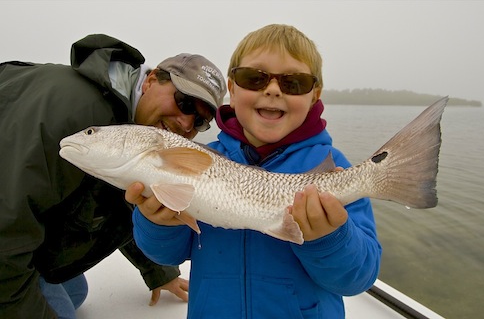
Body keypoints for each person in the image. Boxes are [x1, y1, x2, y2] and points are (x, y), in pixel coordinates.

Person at [128, 24, 382, 318]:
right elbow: (168, 254)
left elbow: (359, 278)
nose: (272, 90)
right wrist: (158, 223)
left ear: (315, 95)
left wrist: (328, 239)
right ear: (232, 91)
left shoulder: (333, 167)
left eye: (294, 83)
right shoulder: (197, 158)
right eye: (254, 78)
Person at [0, 34, 227, 319]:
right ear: (151, 80)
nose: (185, 122)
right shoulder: (75, 113)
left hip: (22, 238)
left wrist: (158, 272)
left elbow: (116, 204)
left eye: (200, 121)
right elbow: (6, 228)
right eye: (184, 102)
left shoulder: (133, 130)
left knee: (74, 290)